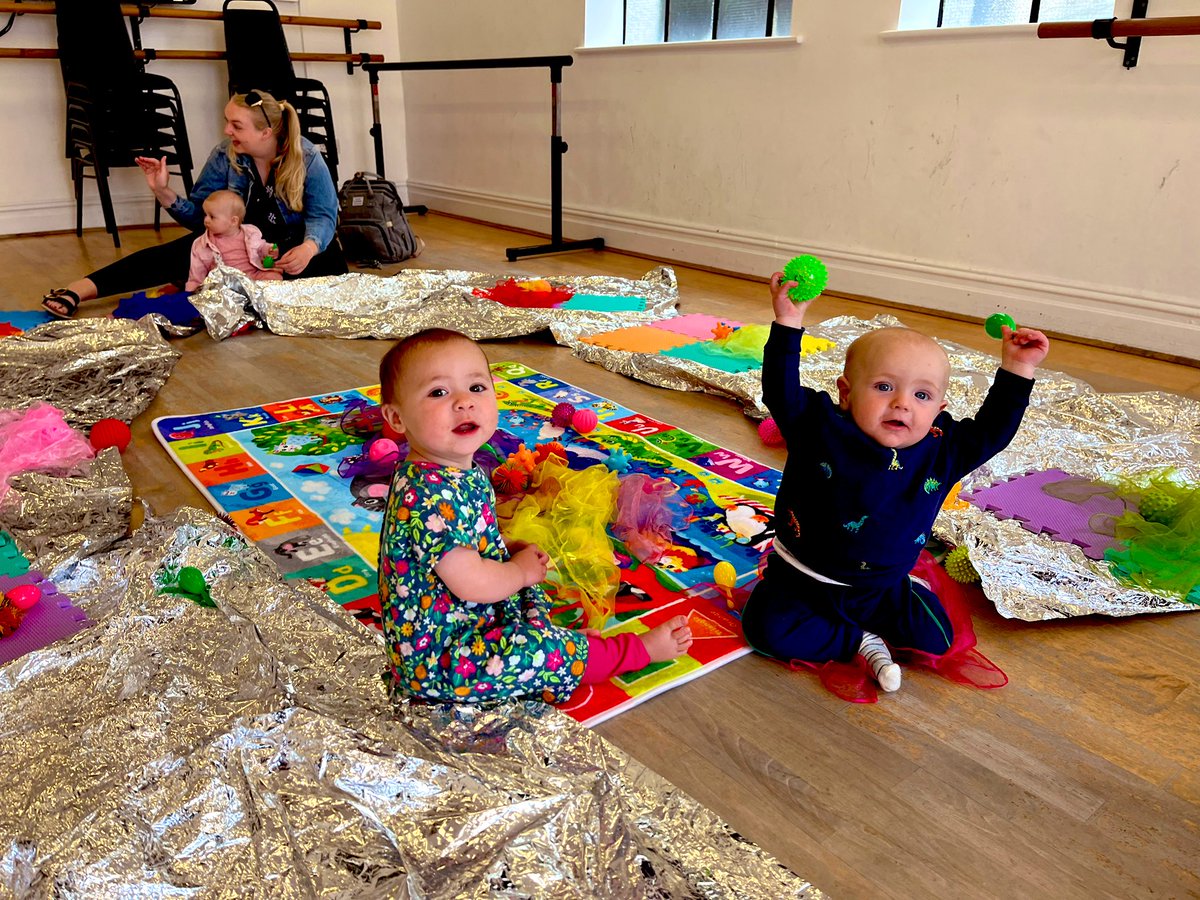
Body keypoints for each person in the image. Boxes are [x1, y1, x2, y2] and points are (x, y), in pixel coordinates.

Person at [740, 273, 1050, 693]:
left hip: (882, 587)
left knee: (938, 640)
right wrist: (788, 322)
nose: (902, 402)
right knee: (764, 632)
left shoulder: (942, 449)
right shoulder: (820, 428)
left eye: (921, 396)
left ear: (939, 409)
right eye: (884, 387)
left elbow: (992, 431)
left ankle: (898, 598)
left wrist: (1017, 368)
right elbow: (780, 391)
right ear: (846, 394)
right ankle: (859, 641)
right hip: (803, 581)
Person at [376, 328, 693, 703]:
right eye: (438, 392)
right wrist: (519, 571)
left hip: (470, 620)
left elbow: (465, 539)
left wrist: (504, 547)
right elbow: (471, 583)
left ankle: (565, 650)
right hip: (441, 663)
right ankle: (625, 654)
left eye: (477, 388)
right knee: (533, 642)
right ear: (396, 418)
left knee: (530, 593)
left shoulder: (456, 470)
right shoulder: (426, 493)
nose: (464, 402)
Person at [42, 89, 346, 318]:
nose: (228, 131)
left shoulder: (305, 155)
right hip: (233, 247)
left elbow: (323, 216)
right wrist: (164, 193)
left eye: (236, 126)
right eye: (228, 123)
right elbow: (202, 218)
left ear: (266, 132)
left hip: (288, 250)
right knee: (177, 252)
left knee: (327, 272)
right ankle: (78, 290)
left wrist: (308, 249)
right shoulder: (224, 154)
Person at [185, 190, 282, 291]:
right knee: (214, 291)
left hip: (253, 276)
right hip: (225, 284)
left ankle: (257, 297)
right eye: (205, 215)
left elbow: (261, 247)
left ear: (233, 221)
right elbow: (196, 275)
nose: (206, 220)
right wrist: (191, 291)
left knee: (274, 277)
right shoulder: (201, 244)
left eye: (212, 217)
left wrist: (269, 250)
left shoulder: (250, 232)